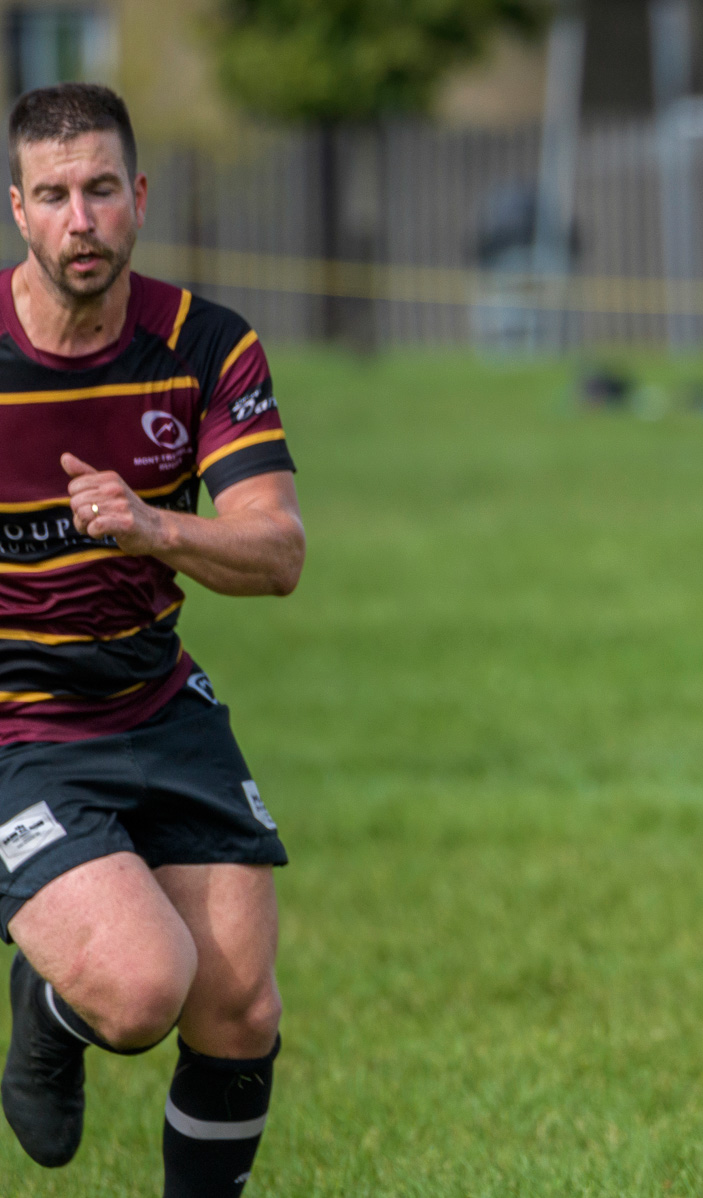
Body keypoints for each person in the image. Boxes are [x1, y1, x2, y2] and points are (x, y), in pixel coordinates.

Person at [0, 84, 301, 1197]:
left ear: (139, 196)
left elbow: (276, 553)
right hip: (16, 725)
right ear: (18, 211)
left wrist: (154, 523)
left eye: (99, 191)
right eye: (52, 196)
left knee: (240, 1006)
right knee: (140, 988)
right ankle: (53, 1004)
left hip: (155, 696)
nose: (80, 219)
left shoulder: (205, 345)